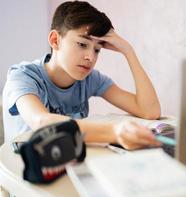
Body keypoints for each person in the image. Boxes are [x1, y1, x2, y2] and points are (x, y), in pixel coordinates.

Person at [2, 1, 161, 150]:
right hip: (21, 171)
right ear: (55, 40)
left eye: (97, 49)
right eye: (82, 44)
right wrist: (115, 132)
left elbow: (149, 111)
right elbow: (42, 122)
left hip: (66, 161)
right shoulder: (23, 76)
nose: (90, 57)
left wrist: (128, 51)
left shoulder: (89, 79)